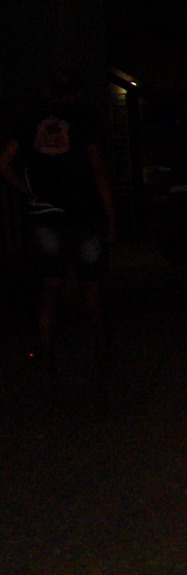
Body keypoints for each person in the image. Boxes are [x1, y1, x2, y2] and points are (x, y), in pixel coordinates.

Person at [0, 68, 117, 368]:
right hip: (84, 213)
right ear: (77, 93)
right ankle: (101, 347)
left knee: (50, 284)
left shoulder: (29, 118)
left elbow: (5, 163)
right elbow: (98, 167)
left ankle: (47, 351)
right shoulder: (86, 119)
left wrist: (27, 192)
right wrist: (110, 214)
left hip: (45, 216)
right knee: (91, 283)